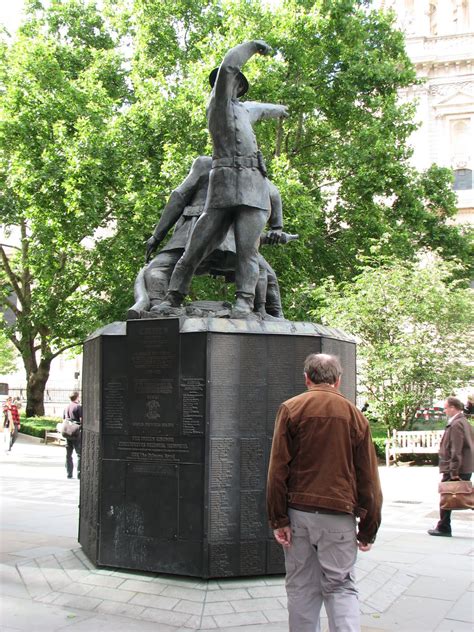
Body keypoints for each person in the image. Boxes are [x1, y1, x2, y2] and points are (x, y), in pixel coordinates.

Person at [157, 40, 288, 318]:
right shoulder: (217, 105)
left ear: (240, 88)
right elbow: (230, 64)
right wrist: (252, 47)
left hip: (253, 187)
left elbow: (262, 109)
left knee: (248, 252)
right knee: (195, 247)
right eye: (225, 81)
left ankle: (244, 302)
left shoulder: (244, 109)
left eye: (235, 83)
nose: (230, 84)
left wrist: (281, 109)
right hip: (223, 186)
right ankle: (172, 297)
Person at [267, 353, 383, 632]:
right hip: (339, 517)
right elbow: (369, 479)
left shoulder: (291, 409)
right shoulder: (355, 415)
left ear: (306, 378)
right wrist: (369, 528)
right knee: (341, 587)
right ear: (338, 380)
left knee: (301, 588)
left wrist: (278, 519)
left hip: (299, 515)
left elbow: (277, 470)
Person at [128, 156, 291, 319]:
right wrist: (277, 226)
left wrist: (157, 236)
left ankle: (159, 307)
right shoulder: (250, 172)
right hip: (226, 243)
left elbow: (179, 196)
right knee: (265, 274)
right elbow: (272, 192)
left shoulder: (207, 164)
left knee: (156, 269)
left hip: (196, 237)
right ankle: (275, 316)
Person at [428, 396, 474, 537]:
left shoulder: (456, 424)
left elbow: (456, 449)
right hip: (463, 466)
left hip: (456, 468)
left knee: (451, 496)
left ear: (453, 408)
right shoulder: (464, 422)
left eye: (446, 408)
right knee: (461, 496)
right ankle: (443, 525)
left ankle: (443, 527)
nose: (445, 410)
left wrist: (454, 471)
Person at [63, 392, 82, 479]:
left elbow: (64, 419)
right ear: (77, 397)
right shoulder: (78, 406)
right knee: (79, 454)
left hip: (67, 432)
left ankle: (69, 473)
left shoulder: (66, 407)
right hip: (76, 432)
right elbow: (81, 420)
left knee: (68, 454)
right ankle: (79, 474)